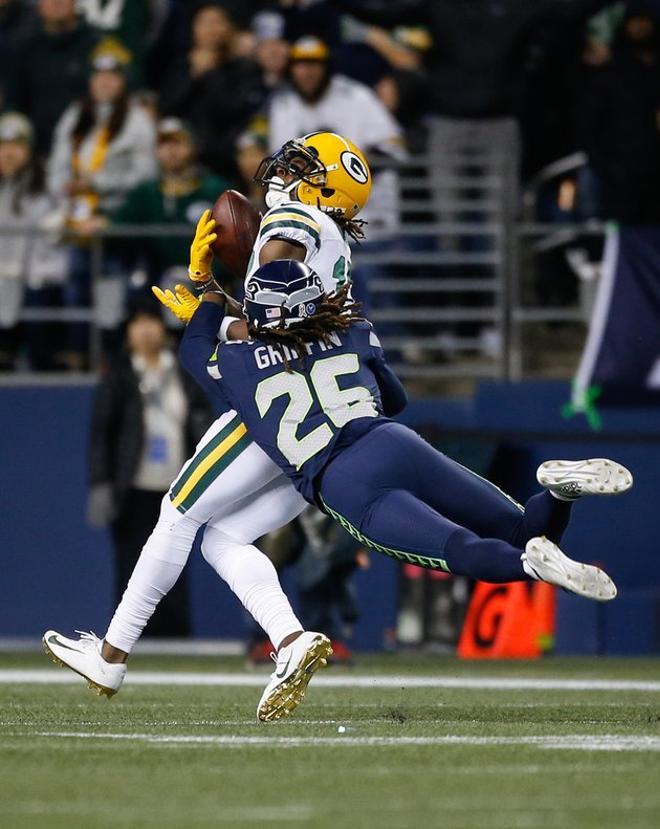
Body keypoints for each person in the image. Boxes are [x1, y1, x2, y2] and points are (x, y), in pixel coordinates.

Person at [43, 130, 373, 723]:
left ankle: (111, 656)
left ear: (325, 186)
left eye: (302, 165)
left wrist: (210, 306)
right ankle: (291, 640)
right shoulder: (336, 247)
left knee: (177, 512)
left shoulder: (296, 224)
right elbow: (287, 317)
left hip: (276, 399)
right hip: (320, 412)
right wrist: (215, 295)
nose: (283, 170)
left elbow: (269, 325)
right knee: (224, 538)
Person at [178, 258, 631, 601]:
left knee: (461, 549)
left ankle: (532, 568)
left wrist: (210, 296)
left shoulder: (238, 362)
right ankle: (559, 494)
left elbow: (194, 348)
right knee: (521, 531)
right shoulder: (351, 330)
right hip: (391, 441)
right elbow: (396, 402)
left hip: (343, 479)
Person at [87, 306, 213, 636]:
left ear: (163, 327)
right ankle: (126, 637)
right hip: (133, 486)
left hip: (176, 486)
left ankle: (176, 638)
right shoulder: (119, 374)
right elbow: (102, 433)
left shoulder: (182, 372)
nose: (144, 330)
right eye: (137, 322)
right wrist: (101, 483)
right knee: (131, 564)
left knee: (174, 565)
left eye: (150, 321)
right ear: (127, 332)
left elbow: (201, 420)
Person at [158, 3, 263, 180]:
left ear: (229, 28)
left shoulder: (243, 68)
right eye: (204, 23)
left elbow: (230, 110)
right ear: (194, 28)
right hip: (185, 162)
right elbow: (167, 107)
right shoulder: (181, 67)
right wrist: (193, 76)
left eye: (217, 22)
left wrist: (210, 73)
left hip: (228, 163)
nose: (210, 29)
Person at [0, 112, 69, 371]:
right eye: (3, 147)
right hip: (5, 278)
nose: (9, 154)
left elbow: (67, 212)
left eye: (16, 146)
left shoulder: (47, 178)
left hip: (40, 275)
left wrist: (59, 222)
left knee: (41, 349)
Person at [8, 0, 100, 154]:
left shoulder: (97, 46)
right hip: (36, 153)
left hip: (89, 150)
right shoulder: (24, 48)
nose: (56, 2)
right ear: (39, 4)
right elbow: (14, 105)